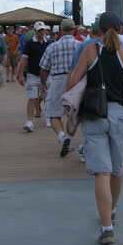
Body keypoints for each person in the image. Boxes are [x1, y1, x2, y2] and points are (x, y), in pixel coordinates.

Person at [66, 11, 123, 245]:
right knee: (116, 170)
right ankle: (113, 209)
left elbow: (73, 81)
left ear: (97, 29)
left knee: (101, 172)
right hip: (119, 114)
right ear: (120, 30)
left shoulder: (90, 51)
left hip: (95, 114)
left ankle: (107, 227)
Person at [39, 18, 78, 156]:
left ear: (61, 30)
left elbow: (44, 68)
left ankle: (62, 136)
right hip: (75, 80)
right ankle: (69, 138)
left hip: (57, 80)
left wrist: (43, 83)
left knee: (53, 114)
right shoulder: (80, 45)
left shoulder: (52, 46)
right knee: (73, 115)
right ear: (74, 29)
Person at [17, 22, 51, 132]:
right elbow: (23, 59)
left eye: (43, 30)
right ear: (35, 31)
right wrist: (20, 74)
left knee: (47, 97)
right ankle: (30, 121)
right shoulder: (30, 44)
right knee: (31, 98)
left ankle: (48, 118)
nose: (41, 32)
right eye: (39, 30)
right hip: (33, 74)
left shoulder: (49, 43)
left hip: (47, 75)